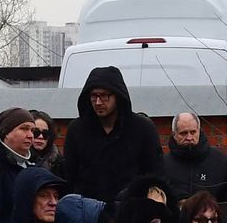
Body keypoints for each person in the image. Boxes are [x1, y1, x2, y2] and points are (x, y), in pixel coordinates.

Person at [60, 67, 160, 205]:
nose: (98, 102)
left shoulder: (142, 128)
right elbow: (70, 176)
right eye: (94, 96)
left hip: (130, 210)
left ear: (117, 96)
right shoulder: (76, 130)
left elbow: (154, 175)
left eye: (104, 95)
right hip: (88, 211)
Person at [162, 112, 227, 211]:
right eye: (183, 133)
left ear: (199, 131)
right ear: (174, 134)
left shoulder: (220, 161)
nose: (189, 137)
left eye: (193, 132)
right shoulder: (163, 164)